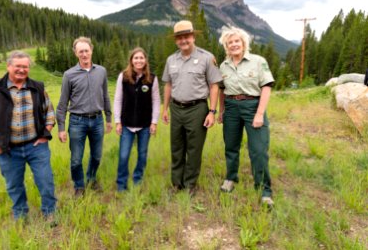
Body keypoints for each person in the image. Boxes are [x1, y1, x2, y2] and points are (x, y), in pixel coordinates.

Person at [0, 50, 57, 223]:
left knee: (46, 181)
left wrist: (45, 134)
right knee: (14, 186)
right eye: (18, 66)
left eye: (25, 66)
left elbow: (49, 112)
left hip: (37, 147)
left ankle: (50, 213)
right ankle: (21, 216)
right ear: (9, 66)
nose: (21, 70)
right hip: (8, 149)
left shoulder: (38, 87)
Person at [162, 20, 222, 195]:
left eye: (186, 36)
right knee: (176, 146)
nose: (183, 40)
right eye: (179, 38)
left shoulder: (207, 58)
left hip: (197, 109)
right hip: (176, 108)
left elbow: (214, 86)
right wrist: (165, 109)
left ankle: (190, 185)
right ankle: (176, 183)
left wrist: (212, 111)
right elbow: (168, 85)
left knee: (194, 148)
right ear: (175, 40)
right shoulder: (171, 59)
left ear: (193, 36)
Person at [217, 26, 275, 208]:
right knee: (231, 146)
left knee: (258, 150)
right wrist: (222, 110)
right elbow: (221, 90)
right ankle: (231, 178)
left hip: (252, 106)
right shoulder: (223, 65)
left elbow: (266, 86)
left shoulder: (258, 61)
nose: (234, 44)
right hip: (231, 108)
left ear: (243, 43)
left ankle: (264, 189)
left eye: (237, 41)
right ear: (226, 46)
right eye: (230, 42)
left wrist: (259, 113)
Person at [56, 36, 112, 197]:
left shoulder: (101, 71)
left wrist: (108, 118)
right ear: (76, 53)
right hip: (77, 122)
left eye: (86, 50)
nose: (84, 54)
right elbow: (62, 103)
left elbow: (105, 95)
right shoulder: (69, 75)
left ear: (91, 51)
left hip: (97, 120)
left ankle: (91, 179)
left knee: (96, 156)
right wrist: (61, 128)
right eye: (81, 51)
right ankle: (79, 186)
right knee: (76, 160)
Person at [114, 47, 161, 191]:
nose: (139, 60)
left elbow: (156, 101)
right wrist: (117, 121)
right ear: (131, 61)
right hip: (126, 124)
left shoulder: (152, 78)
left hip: (145, 125)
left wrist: (154, 122)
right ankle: (121, 185)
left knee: (142, 155)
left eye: (141, 58)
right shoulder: (123, 77)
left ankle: (137, 181)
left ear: (145, 60)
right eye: (136, 58)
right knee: (123, 155)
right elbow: (117, 100)